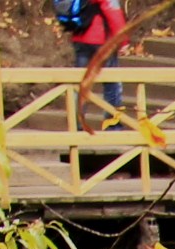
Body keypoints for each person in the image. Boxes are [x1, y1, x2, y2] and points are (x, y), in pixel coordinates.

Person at [57, 0, 131, 142]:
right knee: (112, 84)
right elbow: (113, 13)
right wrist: (123, 41)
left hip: (80, 38)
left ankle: (76, 124)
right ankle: (113, 125)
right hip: (101, 40)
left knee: (81, 84)